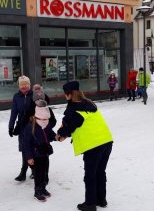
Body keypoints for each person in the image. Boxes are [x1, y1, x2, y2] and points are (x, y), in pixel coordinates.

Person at [56, 81, 113, 211]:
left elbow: (69, 126)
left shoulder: (74, 109)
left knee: (90, 175)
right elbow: (77, 124)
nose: (64, 96)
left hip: (93, 145)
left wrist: (59, 135)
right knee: (100, 172)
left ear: (69, 95)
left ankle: (90, 204)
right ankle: (101, 199)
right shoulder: (88, 103)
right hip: (106, 141)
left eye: (65, 94)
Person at [22, 104, 56, 202]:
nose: (45, 122)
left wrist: (56, 137)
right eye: (43, 120)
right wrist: (28, 157)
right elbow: (26, 144)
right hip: (35, 155)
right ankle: (37, 192)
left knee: (45, 172)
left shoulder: (46, 125)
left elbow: (50, 134)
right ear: (37, 117)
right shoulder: (30, 127)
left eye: (46, 119)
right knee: (38, 173)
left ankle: (43, 188)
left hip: (44, 153)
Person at [8, 75, 35, 181]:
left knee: (33, 148)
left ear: (29, 85)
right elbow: (13, 113)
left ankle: (34, 170)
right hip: (22, 127)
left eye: (26, 84)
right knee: (24, 148)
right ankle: (23, 171)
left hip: (33, 126)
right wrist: (11, 126)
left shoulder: (34, 95)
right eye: (21, 85)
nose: (24, 87)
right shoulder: (16, 97)